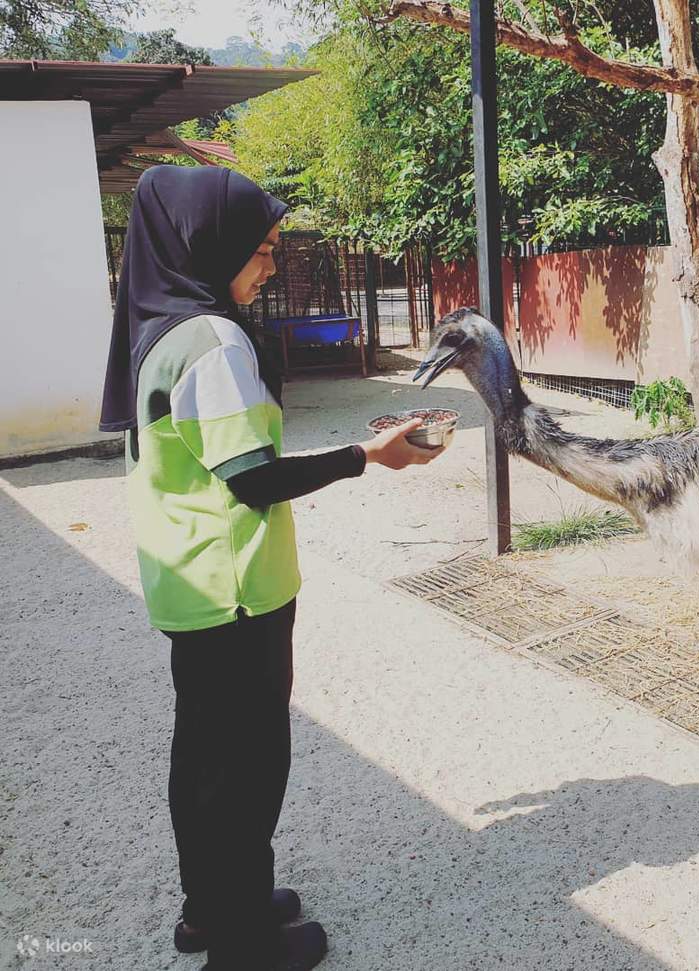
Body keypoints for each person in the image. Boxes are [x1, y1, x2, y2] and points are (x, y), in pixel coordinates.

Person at [99, 165, 436, 970]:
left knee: (206, 764)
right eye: (264, 249)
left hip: (191, 587)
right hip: (237, 591)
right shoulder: (213, 343)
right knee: (247, 771)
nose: (272, 264)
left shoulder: (161, 327)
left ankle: (213, 910)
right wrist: (367, 454)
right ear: (211, 246)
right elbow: (251, 478)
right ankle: (244, 944)